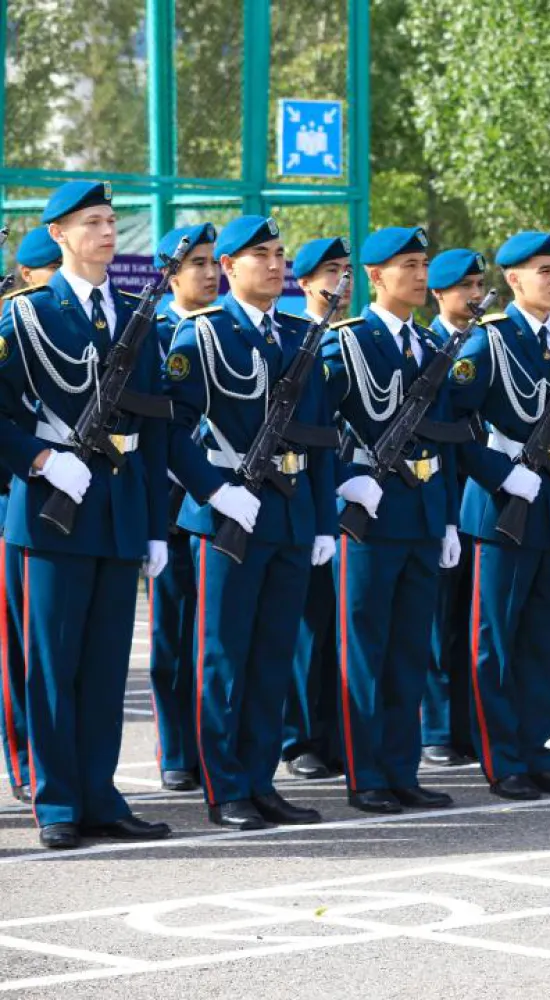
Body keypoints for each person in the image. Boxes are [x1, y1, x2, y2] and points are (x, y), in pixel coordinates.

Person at [0, 181, 172, 848]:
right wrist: (39, 460)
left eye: (110, 221)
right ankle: (58, 801)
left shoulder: (137, 313)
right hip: (52, 511)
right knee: (54, 662)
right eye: (93, 223)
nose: (107, 232)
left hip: (120, 506)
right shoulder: (26, 317)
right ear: (62, 236)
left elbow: (154, 428)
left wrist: (156, 526)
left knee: (102, 664)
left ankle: (101, 795)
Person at [163, 214, 336, 831]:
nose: (274, 264)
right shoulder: (203, 336)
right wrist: (215, 492)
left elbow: (320, 439)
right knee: (224, 658)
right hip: (230, 514)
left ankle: (261, 780)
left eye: (280, 253)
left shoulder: (299, 335)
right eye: (259, 255)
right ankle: (225, 786)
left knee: (272, 656)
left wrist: (321, 520)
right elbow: (172, 434)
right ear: (229, 268)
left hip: (289, 513)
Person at [449, 232, 550, 800]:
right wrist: (498, 472)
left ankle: (538, 750)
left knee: (543, 640)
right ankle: (502, 757)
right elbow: (451, 424)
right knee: (499, 639)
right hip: (503, 507)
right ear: (513, 280)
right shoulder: (488, 342)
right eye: (544, 270)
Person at [321, 226, 459, 814]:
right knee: (365, 650)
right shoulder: (346, 343)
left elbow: (449, 439)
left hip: (423, 512)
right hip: (369, 515)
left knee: (409, 651)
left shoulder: (429, 347)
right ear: (376, 277)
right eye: (410, 264)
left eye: (425, 263)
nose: (422, 275)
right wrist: (340, 488)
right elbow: (312, 427)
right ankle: (366, 773)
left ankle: (402, 769)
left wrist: (449, 518)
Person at [149, 222, 219, 792]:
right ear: (170, 273)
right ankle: (178, 750)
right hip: (174, 505)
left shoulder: (224, 330)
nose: (210, 271)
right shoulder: (156, 330)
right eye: (197, 263)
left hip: (225, 504)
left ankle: (216, 742)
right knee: (174, 632)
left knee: (218, 633)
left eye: (215, 261)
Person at [281, 236, 352, 780]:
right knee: (301, 627)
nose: (343, 282)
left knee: (334, 627)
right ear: (304, 283)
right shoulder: (293, 339)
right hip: (295, 493)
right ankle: (298, 737)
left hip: (342, 500)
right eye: (332, 272)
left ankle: (332, 732)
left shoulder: (352, 339)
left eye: (348, 272)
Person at [0, 226, 66, 803]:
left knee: (40, 645)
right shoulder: (17, 320)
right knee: (17, 646)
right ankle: (25, 764)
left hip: (33, 491)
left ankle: (45, 771)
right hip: (16, 495)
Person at [421, 250, 483, 769]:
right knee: (439, 622)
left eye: (479, 285)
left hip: (479, 496)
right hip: (442, 488)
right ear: (439, 293)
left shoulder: (489, 343)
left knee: (469, 620)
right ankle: (438, 727)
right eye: (465, 287)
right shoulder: (431, 346)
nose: (475, 296)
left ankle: (466, 723)